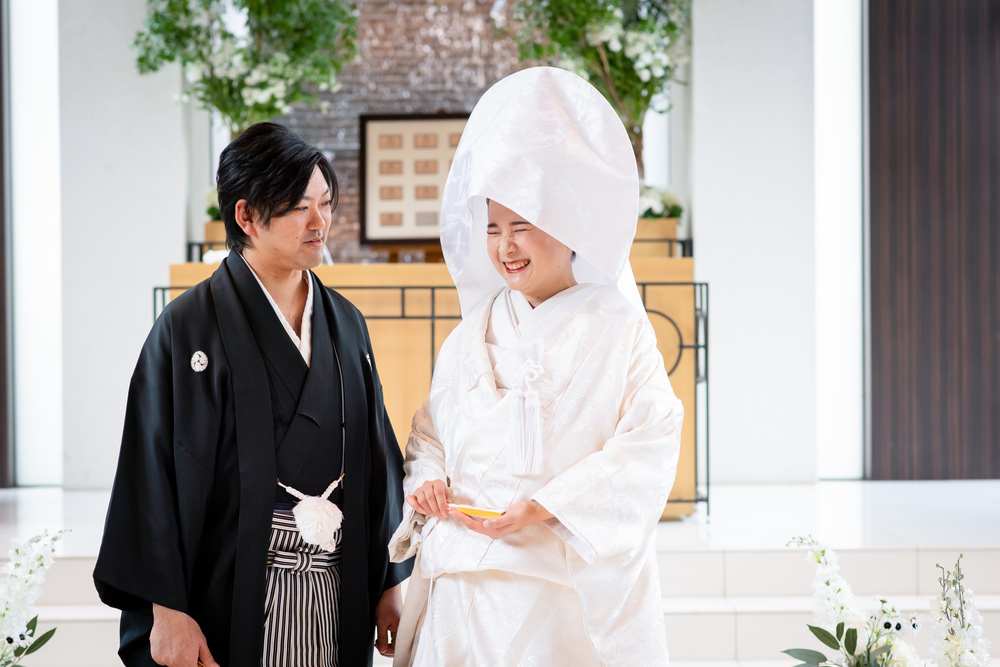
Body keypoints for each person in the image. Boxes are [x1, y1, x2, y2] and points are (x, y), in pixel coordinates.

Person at [387, 67, 684, 666]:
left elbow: (650, 441)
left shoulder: (618, 327)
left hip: (557, 579)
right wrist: (428, 480)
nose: (505, 247)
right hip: (461, 582)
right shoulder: (471, 333)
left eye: (523, 227)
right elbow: (430, 434)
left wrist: (547, 506)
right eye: (494, 229)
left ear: (571, 227)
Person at [94, 122, 411, 667]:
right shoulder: (187, 328)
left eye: (325, 204)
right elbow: (150, 475)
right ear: (246, 216)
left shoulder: (345, 324)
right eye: (300, 208)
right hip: (230, 594)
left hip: (336, 596)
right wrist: (167, 609)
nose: (320, 222)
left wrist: (388, 582)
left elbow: (376, 459)